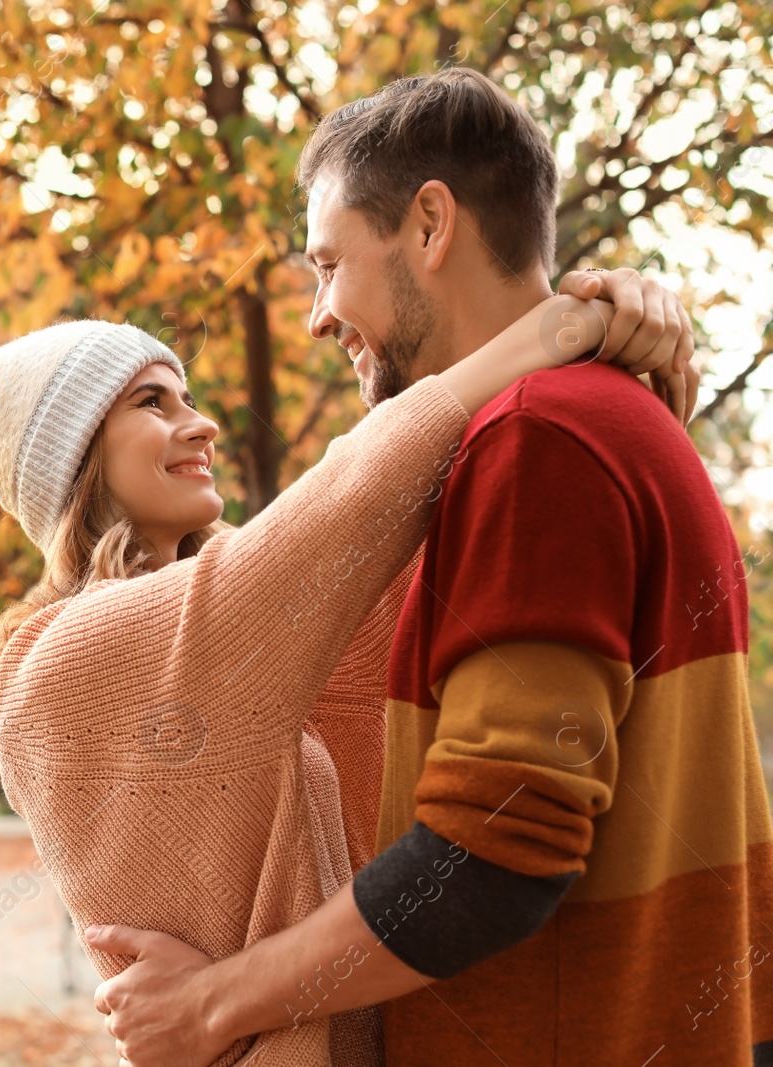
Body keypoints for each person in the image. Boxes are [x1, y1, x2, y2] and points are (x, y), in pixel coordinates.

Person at [88, 68, 770, 1067]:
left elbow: (489, 852)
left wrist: (208, 1004)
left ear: (429, 225)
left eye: (329, 263)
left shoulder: (536, 440)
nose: (320, 314)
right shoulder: (613, 414)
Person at [0, 286, 689, 1061]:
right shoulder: (66, 664)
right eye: (152, 402)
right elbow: (360, 490)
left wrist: (606, 381)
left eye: (188, 395)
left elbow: (469, 555)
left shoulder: (251, 636)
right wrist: (564, 325)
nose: (202, 422)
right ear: (76, 458)